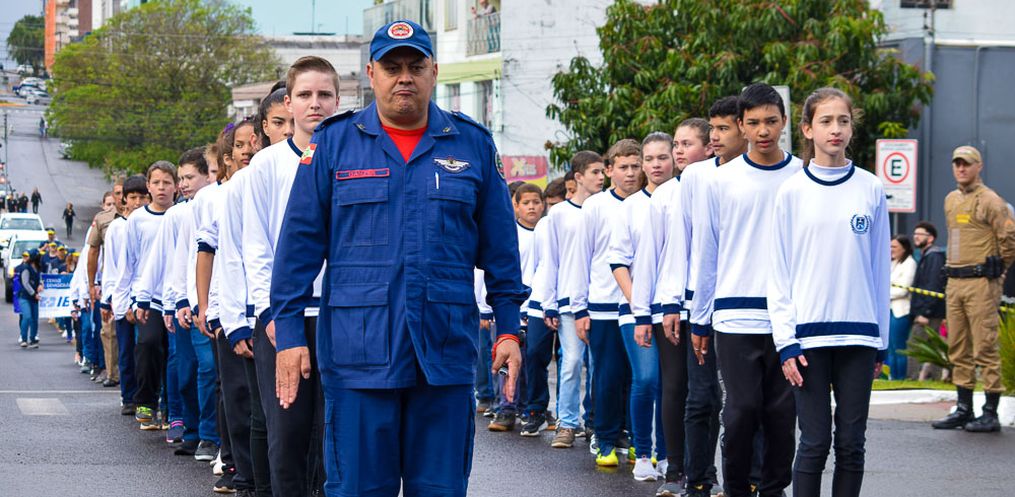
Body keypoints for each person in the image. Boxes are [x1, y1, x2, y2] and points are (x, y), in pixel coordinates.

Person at [271, 20, 526, 496]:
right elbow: (296, 249)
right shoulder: (334, 143)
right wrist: (288, 335)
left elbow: (502, 252)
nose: (404, 77)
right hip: (358, 356)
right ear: (371, 74)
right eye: (392, 67)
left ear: (434, 72)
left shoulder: (472, 144)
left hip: (444, 354)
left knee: (441, 489)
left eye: (415, 66)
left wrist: (509, 329)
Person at [229, 55, 342, 497]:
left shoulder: (352, 159)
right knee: (287, 433)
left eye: (324, 94)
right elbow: (256, 246)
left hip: (340, 315)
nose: (315, 103)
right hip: (284, 318)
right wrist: (270, 313)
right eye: (305, 95)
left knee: (336, 436)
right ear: (289, 103)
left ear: (338, 101)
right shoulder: (266, 164)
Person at [768, 87, 889, 497]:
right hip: (808, 341)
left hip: (860, 337)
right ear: (807, 129)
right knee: (815, 441)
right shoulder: (791, 191)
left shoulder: (870, 188)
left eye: (843, 121)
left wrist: (882, 340)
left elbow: (879, 270)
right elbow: (778, 273)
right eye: (825, 121)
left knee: (852, 444)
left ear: (851, 128)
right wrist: (785, 342)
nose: (835, 129)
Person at [690, 83, 802, 497]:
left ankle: (773, 489)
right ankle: (736, 488)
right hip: (734, 316)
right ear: (741, 125)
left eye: (771, 121)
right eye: (753, 122)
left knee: (781, 415)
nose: (763, 130)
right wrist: (700, 318)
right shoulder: (720, 180)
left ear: (785, 121)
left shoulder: (802, 176)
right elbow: (707, 251)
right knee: (740, 411)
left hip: (789, 319)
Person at [932, 145, 1015, 433]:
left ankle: (990, 412)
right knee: (958, 347)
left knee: (985, 346)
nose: (961, 168)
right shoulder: (951, 199)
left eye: (967, 163)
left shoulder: (991, 200)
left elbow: (1009, 238)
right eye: (957, 163)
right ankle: (963, 408)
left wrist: (999, 270)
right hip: (955, 281)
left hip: (982, 282)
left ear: (979, 166)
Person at [612, 132, 675, 481]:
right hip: (636, 311)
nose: (655, 165)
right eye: (648, 159)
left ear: (674, 159)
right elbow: (618, 262)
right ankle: (643, 454)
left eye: (662, 157)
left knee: (669, 385)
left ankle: (666, 456)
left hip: (673, 309)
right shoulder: (631, 206)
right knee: (646, 378)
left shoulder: (683, 197)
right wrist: (640, 308)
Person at [532, 151, 604, 450]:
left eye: (603, 171)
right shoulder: (560, 213)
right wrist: (549, 302)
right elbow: (551, 260)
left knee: (599, 366)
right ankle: (567, 423)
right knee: (571, 362)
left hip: (601, 301)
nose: (601, 177)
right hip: (568, 301)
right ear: (578, 177)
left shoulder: (607, 207)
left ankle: (596, 423)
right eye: (595, 172)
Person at [162, 147, 220, 460]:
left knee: (210, 369)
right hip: (191, 301)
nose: (183, 184)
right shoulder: (185, 211)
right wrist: (180, 301)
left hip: (218, 300)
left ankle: (209, 436)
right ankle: (193, 429)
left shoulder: (220, 199)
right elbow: (182, 258)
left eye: (190, 177)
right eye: (181, 178)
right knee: (188, 373)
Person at [488, 182, 545, 432]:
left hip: (537, 307)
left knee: (532, 361)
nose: (531, 207)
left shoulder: (545, 232)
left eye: (536, 202)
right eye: (526, 203)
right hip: (512, 307)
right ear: (515, 205)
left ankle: (528, 407)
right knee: (505, 360)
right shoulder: (510, 233)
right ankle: (505, 408)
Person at [908, 221, 948, 380]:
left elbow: (933, 286)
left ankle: (912, 379)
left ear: (930, 238)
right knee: (933, 346)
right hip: (929, 311)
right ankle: (935, 379)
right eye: (915, 234)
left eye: (920, 234)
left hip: (929, 313)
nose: (915, 237)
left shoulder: (934, 257)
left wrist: (925, 312)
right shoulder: (927, 256)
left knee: (915, 345)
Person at [888, 235, 916, 380]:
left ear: (904, 248)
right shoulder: (893, 263)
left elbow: (902, 290)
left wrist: (884, 294)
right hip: (889, 309)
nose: (891, 249)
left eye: (894, 246)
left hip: (901, 311)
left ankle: (901, 377)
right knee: (890, 347)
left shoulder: (910, 263)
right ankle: (892, 377)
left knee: (899, 347)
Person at [16, 249, 42, 349]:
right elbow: (25, 283)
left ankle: (33, 338)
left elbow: (40, 279)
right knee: (27, 316)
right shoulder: (26, 268)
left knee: (35, 318)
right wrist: (34, 294)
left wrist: (41, 284)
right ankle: (24, 339)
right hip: (25, 296)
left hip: (34, 298)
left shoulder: (38, 268)